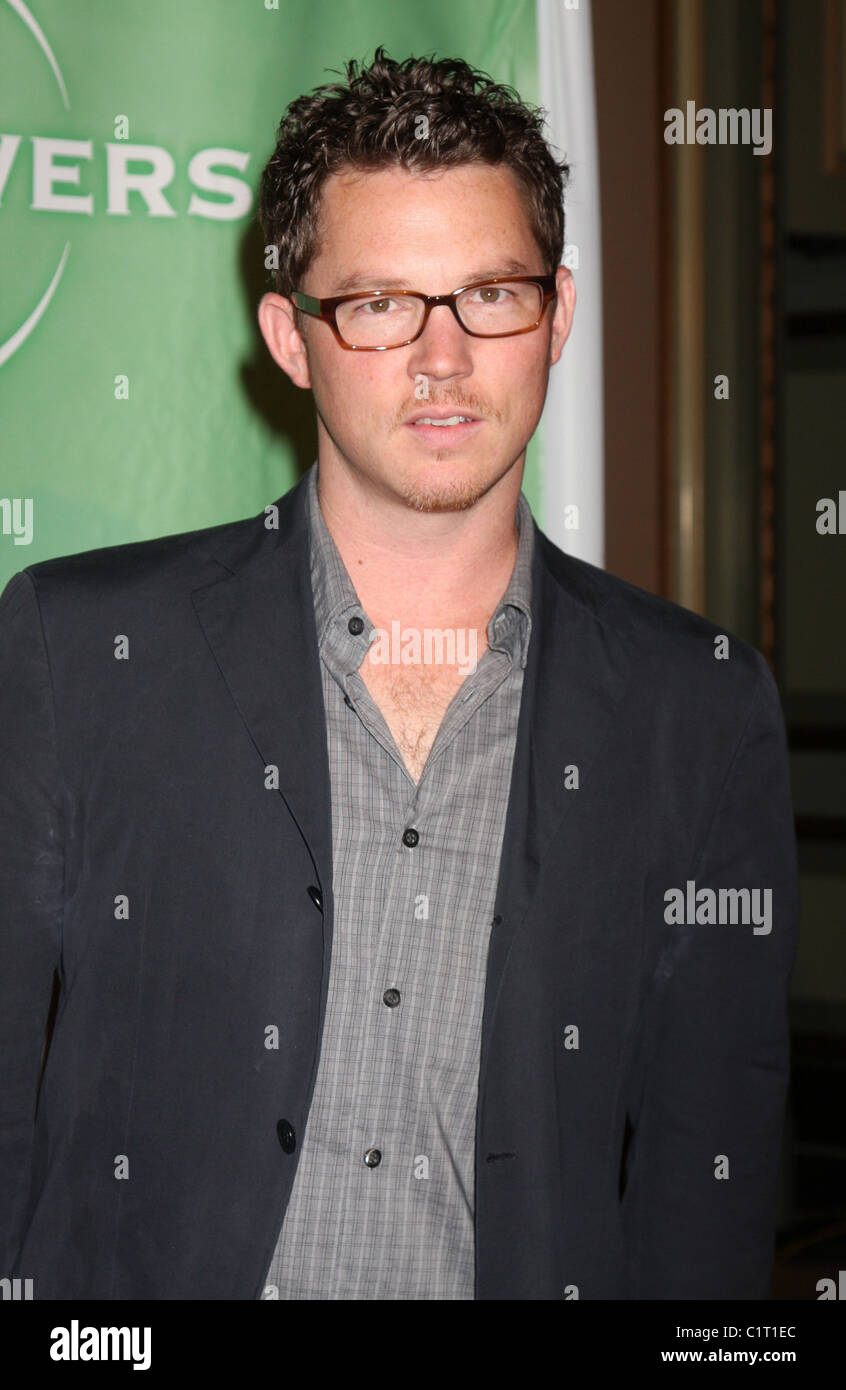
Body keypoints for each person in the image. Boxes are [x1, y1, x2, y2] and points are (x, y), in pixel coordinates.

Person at [0, 48, 797, 1301]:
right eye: (379, 303)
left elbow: (711, 1179)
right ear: (292, 338)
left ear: (559, 316)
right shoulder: (80, 652)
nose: (442, 357)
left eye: (489, 294)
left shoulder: (697, 706)